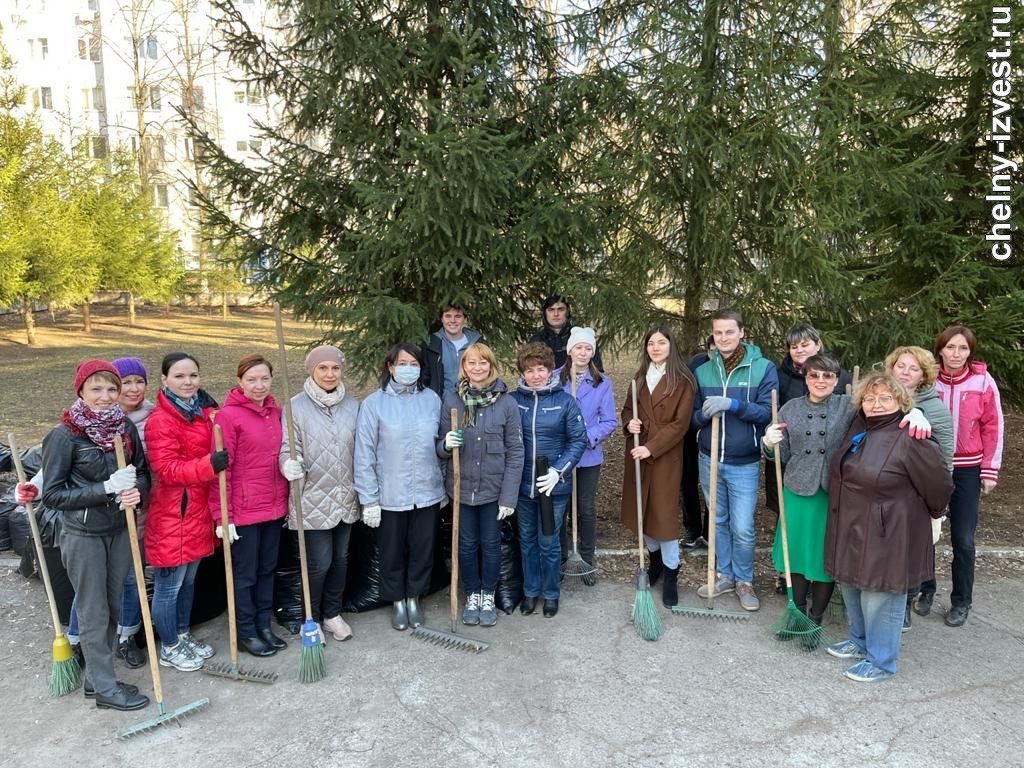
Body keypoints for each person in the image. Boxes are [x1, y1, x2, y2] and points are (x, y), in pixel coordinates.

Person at [21, 356, 156, 671]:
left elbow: (142, 473)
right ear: (80, 390)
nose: (106, 396)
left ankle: (111, 661)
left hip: (121, 528)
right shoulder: (65, 434)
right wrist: (107, 487)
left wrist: (135, 492)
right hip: (83, 532)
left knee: (116, 597)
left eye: (112, 389)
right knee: (92, 605)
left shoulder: (123, 427)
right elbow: (54, 492)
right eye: (96, 388)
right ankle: (96, 672)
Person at [824, 372, 952, 682]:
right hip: (852, 525)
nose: (876, 404)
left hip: (889, 531)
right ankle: (860, 641)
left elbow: (940, 486)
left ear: (902, 402)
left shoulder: (912, 437)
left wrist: (934, 516)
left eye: (885, 398)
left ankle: (882, 661)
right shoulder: (861, 429)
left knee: (879, 594)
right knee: (852, 584)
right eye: (870, 398)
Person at [355, 343, 446, 631]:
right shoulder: (374, 404)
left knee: (422, 547)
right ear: (391, 367)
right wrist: (369, 499)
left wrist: (442, 485)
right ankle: (396, 599)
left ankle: (414, 597)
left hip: (427, 491)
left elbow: (440, 444)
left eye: (414, 363)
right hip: (390, 493)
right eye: (402, 363)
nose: (408, 368)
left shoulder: (432, 399)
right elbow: (364, 453)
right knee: (392, 549)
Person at [691, 308, 777, 611]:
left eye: (729, 331)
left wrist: (733, 405)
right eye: (718, 333)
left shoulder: (763, 368)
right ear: (713, 336)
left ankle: (744, 580)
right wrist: (703, 415)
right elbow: (691, 419)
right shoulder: (702, 370)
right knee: (718, 520)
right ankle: (724, 574)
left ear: (742, 332)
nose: (724, 337)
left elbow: (768, 413)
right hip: (709, 458)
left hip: (744, 461)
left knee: (742, 526)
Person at [761, 354, 852, 625]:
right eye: (814, 375)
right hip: (797, 491)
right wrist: (768, 443)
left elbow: (885, 406)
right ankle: (797, 612)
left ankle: (816, 617)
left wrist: (915, 411)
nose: (820, 381)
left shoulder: (848, 406)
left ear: (836, 379)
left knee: (824, 556)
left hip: (832, 493)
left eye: (827, 376)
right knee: (797, 555)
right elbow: (779, 455)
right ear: (806, 377)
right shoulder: (789, 409)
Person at [437, 343, 523, 627]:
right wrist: (445, 445)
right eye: (471, 363)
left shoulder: (506, 403)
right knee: (466, 544)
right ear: (463, 367)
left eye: (483, 362)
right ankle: (472, 592)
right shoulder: (452, 400)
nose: (477, 368)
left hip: (493, 491)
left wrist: (508, 498)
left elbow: (515, 451)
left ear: (491, 365)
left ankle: (488, 593)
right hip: (461, 490)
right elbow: (438, 445)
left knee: (490, 544)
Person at [144, 352, 221, 671]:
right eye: (179, 376)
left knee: (189, 583)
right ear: (164, 380)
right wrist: (208, 466)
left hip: (198, 511)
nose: (188, 382)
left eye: (193, 375)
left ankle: (182, 633)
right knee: (169, 586)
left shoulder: (203, 412)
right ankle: (169, 645)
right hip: (173, 515)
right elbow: (166, 469)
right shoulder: (161, 420)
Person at [210, 353, 289, 657]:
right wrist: (222, 515)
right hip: (242, 511)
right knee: (246, 574)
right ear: (239, 381)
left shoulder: (276, 413)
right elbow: (221, 471)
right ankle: (246, 631)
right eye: (251, 379)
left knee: (268, 569)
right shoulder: (228, 417)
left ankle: (263, 624)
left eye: (264, 379)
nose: (259, 385)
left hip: (273, 505)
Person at [279, 345, 360, 642]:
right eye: (323, 368)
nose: (329, 374)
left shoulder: (352, 405)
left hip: (345, 496)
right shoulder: (295, 407)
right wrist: (288, 464)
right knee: (318, 563)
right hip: (311, 497)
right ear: (312, 370)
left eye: (335, 368)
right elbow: (289, 446)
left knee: (341, 560)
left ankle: (332, 614)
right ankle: (309, 618)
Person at [930, 326, 1004, 627]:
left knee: (963, 538)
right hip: (932, 466)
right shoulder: (928, 377)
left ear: (970, 351)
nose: (956, 354)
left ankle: (961, 601)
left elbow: (993, 426)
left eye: (962, 348)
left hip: (968, 469)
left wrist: (990, 469)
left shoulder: (982, 381)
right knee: (925, 535)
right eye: (950, 347)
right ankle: (924, 590)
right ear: (941, 350)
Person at [620, 326, 697, 607]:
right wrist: (630, 424)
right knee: (644, 510)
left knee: (664, 517)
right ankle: (654, 564)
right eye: (650, 343)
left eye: (661, 343)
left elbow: (680, 425)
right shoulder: (639, 378)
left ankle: (672, 572)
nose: (655, 347)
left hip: (664, 455)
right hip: (639, 453)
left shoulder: (683, 381)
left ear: (670, 346)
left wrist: (650, 447)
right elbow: (628, 409)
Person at [511, 342, 587, 618]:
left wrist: (558, 471)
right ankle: (531, 592)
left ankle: (551, 594)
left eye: (541, 369)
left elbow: (578, 440)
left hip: (552, 487)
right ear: (523, 372)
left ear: (549, 369)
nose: (536, 375)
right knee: (527, 540)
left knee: (549, 542)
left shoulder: (565, 401)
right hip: (521, 486)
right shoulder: (513, 401)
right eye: (530, 370)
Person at [885, 345, 955, 628]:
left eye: (914, 369)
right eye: (901, 366)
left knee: (911, 553)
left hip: (917, 497)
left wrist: (938, 504)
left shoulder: (934, 410)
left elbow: (946, 460)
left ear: (923, 375)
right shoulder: (882, 399)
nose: (905, 372)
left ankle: (904, 605)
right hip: (886, 494)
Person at [557, 327, 616, 583]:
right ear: (570, 349)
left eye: (588, 348)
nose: (583, 352)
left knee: (586, 508)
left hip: (589, 456)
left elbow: (609, 421)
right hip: (560, 455)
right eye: (579, 347)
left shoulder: (602, 382)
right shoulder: (555, 378)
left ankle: (586, 560)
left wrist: (585, 437)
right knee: (561, 508)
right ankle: (559, 558)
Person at [680, 336, 713, 549]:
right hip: (692, 430)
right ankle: (692, 528)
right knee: (688, 481)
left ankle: (710, 531)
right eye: (712, 350)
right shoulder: (696, 364)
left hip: (714, 434)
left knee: (713, 484)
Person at [422, 303, 483, 400]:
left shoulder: (476, 342)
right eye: (448, 316)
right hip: (441, 404)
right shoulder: (432, 344)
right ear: (441, 319)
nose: (453, 320)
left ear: (464, 318)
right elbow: (425, 378)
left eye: (458, 316)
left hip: (474, 402)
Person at [528, 294, 604, 371]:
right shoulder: (536, 340)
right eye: (551, 310)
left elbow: (598, 371)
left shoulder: (583, 337)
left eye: (560, 309)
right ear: (545, 313)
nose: (556, 314)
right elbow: (529, 371)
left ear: (567, 312)